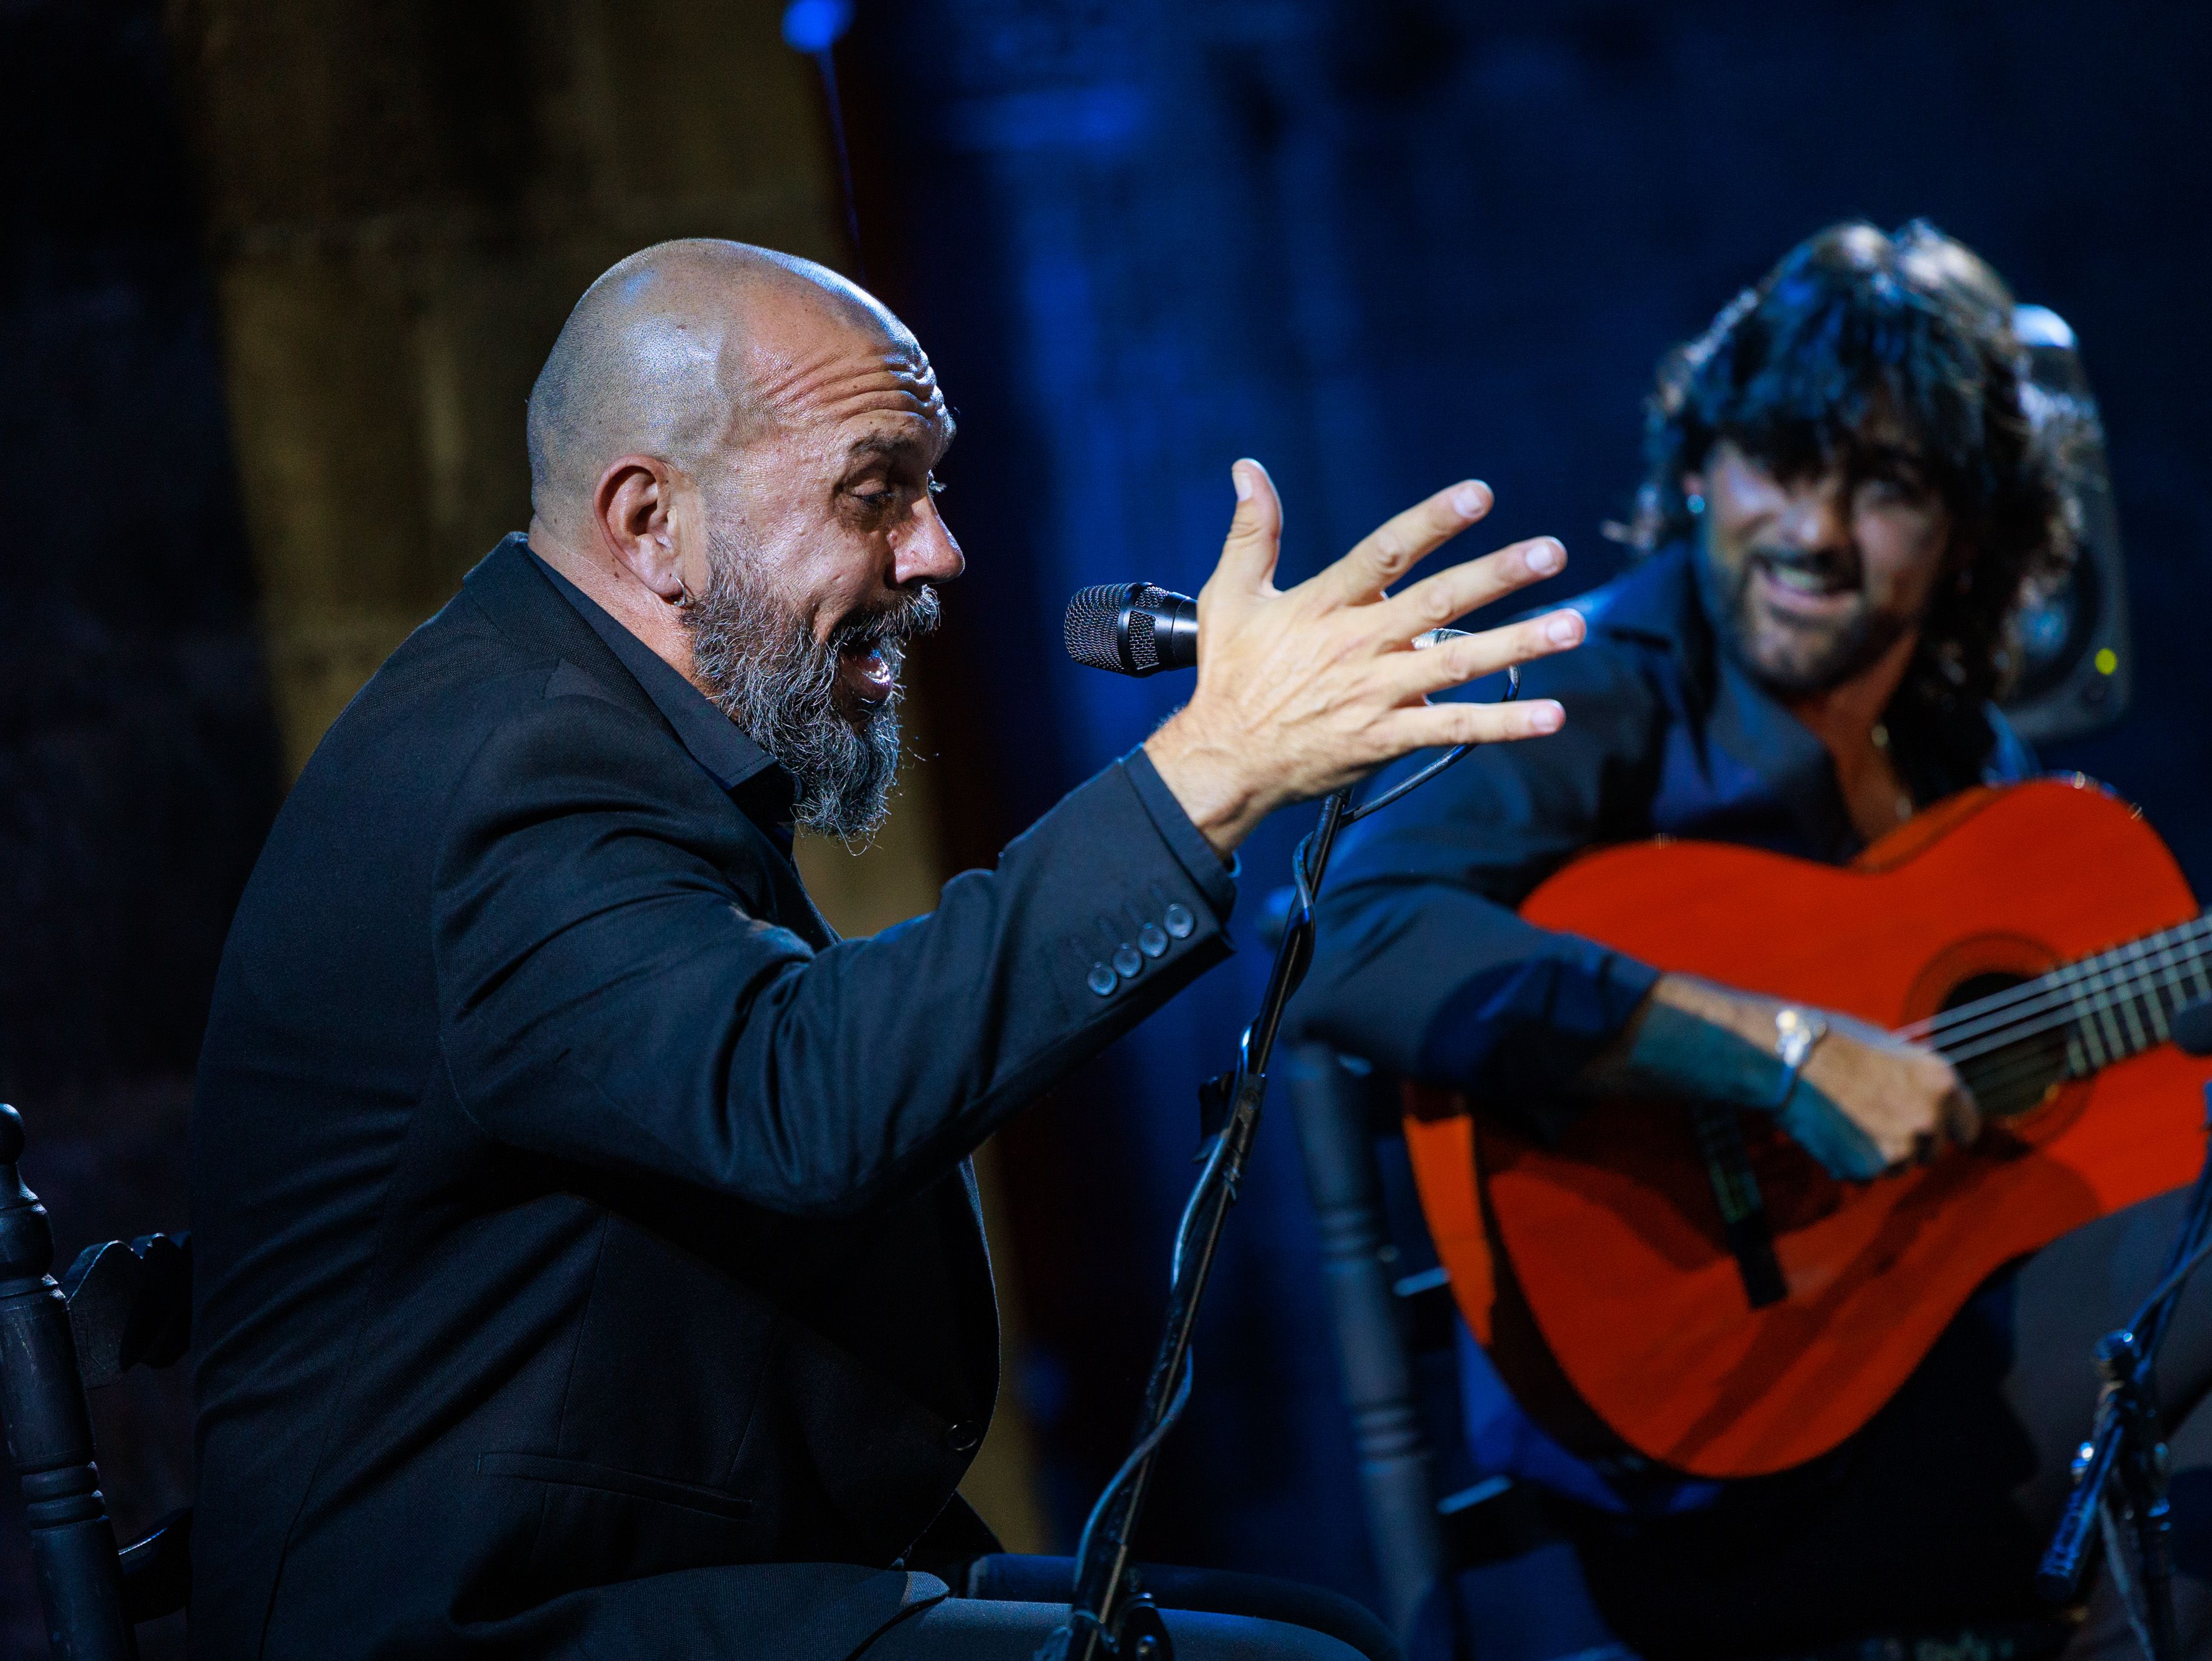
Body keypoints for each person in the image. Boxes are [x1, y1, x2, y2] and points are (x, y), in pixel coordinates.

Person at [185, 238, 1589, 1660]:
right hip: (499, 1622)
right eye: (876, 491)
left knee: (1317, 1630)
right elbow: (800, 1097)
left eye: (930, 484)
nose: (937, 549)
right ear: (649, 522)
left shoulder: (566, 720)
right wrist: (1209, 769)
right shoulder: (513, 766)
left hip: (686, 1565)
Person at [1293, 220, 2212, 1659]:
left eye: (1885, 487)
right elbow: (1338, 937)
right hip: (1719, 1459)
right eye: (1778, 461)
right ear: (1693, 468)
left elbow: (2081, 1198)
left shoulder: (1962, 760)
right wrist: (1773, 1054)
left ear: (1971, 532)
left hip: (1935, 1373)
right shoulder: (1594, 694)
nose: (1811, 528)